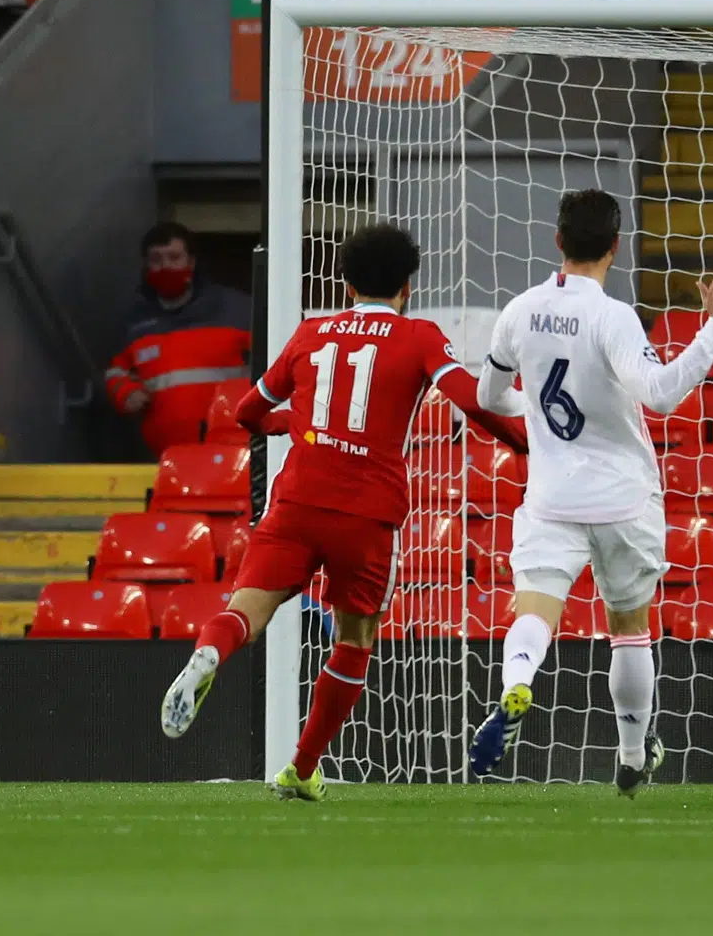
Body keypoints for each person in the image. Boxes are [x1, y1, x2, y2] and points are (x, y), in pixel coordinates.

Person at [158, 223, 527, 801]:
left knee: (246, 612)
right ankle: (303, 769)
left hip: (298, 499)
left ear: (346, 282)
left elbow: (249, 411)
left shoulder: (312, 332)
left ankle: (210, 652)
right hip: (367, 515)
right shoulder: (420, 336)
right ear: (408, 285)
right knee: (355, 640)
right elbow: (472, 400)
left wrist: (295, 427)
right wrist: (529, 442)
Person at [471, 188, 713, 796]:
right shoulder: (613, 315)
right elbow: (662, 393)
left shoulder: (518, 310)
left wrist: (532, 410)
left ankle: (518, 680)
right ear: (615, 248)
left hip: (550, 498)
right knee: (629, 629)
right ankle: (628, 758)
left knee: (535, 609)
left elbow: (489, 399)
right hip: (622, 500)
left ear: (558, 241)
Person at [105, 222, 251, 456]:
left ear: (191, 263)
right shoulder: (135, 324)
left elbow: (273, 361)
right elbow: (116, 372)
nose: (166, 267)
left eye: (175, 258)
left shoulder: (237, 310)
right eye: (156, 259)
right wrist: (126, 393)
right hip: (163, 455)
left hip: (231, 452)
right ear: (146, 265)